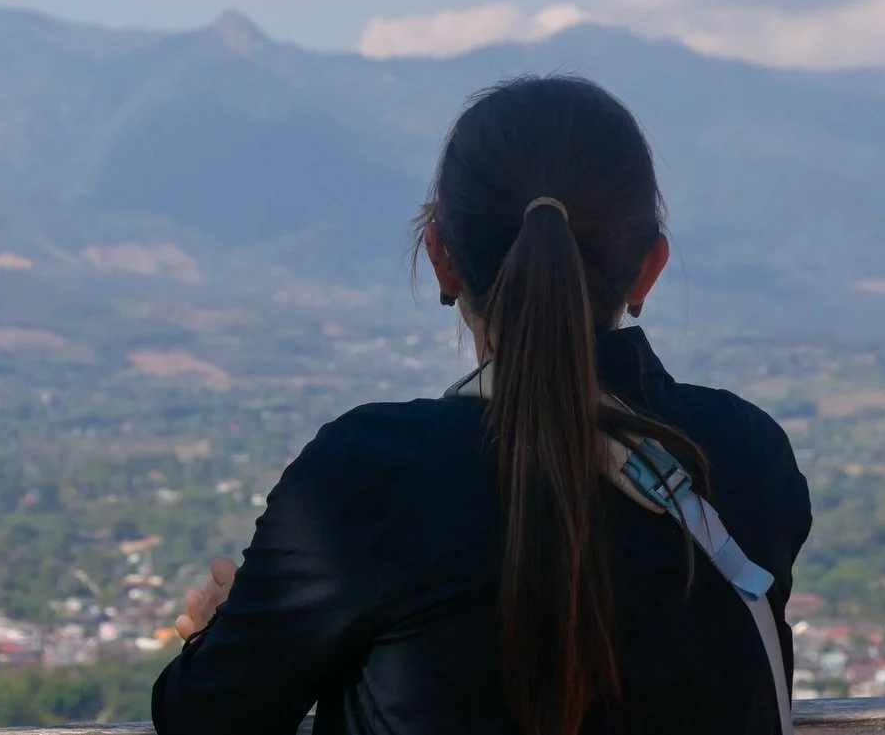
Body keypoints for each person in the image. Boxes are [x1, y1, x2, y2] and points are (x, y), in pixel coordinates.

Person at [151, 76, 813, 735]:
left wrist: (229, 633)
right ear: (650, 268)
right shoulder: (746, 455)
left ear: (441, 257)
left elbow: (204, 718)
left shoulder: (369, 477)